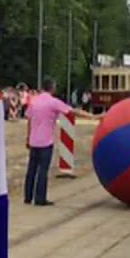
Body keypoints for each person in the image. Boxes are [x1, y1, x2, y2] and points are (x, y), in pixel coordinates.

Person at [23, 78, 94, 206]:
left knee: (31, 170)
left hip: (34, 140)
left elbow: (29, 119)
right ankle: (40, 198)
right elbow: (72, 111)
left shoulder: (34, 101)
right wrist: (93, 117)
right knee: (43, 170)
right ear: (52, 88)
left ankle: (28, 196)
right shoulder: (53, 102)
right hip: (46, 141)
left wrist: (28, 137)